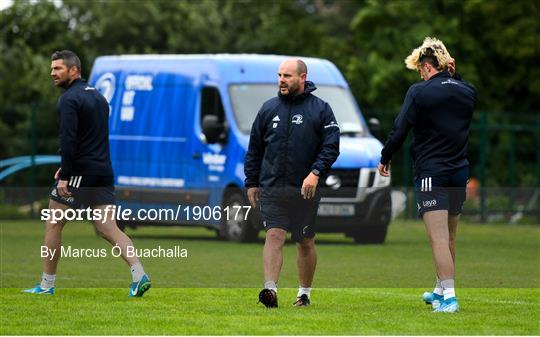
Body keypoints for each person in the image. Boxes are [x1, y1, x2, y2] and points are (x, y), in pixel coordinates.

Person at [23, 50, 151, 297]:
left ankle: (47, 285)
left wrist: (66, 175)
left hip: (79, 173)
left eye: (58, 69)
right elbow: (90, 139)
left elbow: (69, 139)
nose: (52, 73)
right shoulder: (99, 97)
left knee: (53, 223)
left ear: (74, 70)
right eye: (52, 69)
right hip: (102, 172)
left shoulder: (69, 99)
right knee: (108, 228)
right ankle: (139, 274)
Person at [378, 37, 476, 313]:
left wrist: (385, 157)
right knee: (450, 237)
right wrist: (454, 75)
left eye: (420, 69)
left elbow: (400, 129)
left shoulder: (419, 92)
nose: (419, 74)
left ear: (426, 66)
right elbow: (457, 88)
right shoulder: (467, 91)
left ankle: (450, 299)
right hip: (459, 172)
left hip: (432, 172)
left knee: (438, 239)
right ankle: (439, 290)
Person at [245, 58, 340, 308]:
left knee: (305, 241)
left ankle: (304, 294)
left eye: (287, 76)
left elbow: (331, 147)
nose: (281, 81)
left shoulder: (321, 109)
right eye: (279, 75)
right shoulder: (268, 109)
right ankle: (270, 291)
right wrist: (251, 182)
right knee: (274, 234)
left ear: (302, 77)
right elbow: (254, 148)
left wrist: (316, 172)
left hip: (305, 190)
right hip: (273, 187)